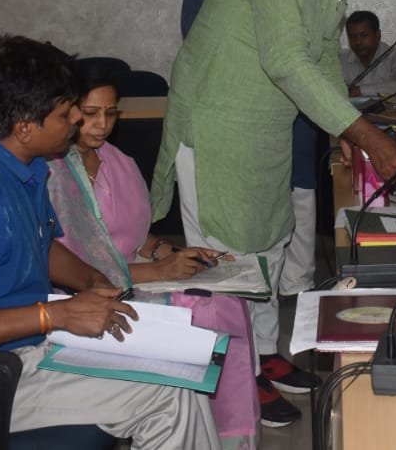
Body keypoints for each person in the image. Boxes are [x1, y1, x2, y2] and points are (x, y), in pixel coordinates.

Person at [152, 0, 396, 413]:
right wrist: (367, 135)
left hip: (266, 124)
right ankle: (233, 380)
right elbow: (288, 60)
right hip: (218, 122)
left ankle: (265, 353)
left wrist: (340, 124)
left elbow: (322, 53)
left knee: (268, 245)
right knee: (226, 261)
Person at [0, 35, 218, 447]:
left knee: (181, 372)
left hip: (15, 351)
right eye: (66, 111)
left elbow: (40, 245)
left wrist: (94, 281)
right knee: (166, 395)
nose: (77, 117)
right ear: (25, 128)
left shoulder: (24, 168)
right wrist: (55, 316)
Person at [47, 63, 261, 443]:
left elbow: (134, 234)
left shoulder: (118, 162)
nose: (102, 125)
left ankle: (231, 436)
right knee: (205, 312)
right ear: (67, 110)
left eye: (111, 113)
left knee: (230, 302)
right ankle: (198, 428)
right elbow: (73, 267)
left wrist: (172, 251)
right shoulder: (53, 172)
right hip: (90, 294)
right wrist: (161, 270)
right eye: (91, 113)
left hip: (136, 272)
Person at [175, 0, 313, 425]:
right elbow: (197, 32)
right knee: (234, 255)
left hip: (282, 120)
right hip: (230, 122)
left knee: (274, 244)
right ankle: (241, 371)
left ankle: (267, 353)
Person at [340, 10, 396, 96]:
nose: (358, 42)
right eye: (353, 36)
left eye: (364, 35)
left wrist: (360, 90)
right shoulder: (341, 58)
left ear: (378, 35)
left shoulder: (395, 55)